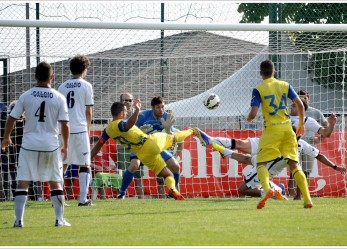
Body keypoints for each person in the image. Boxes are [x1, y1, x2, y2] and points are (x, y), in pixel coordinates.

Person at [1, 61, 70, 227]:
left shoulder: (26, 95)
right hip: (50, 145)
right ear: (52, 77)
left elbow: (12, 118)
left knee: (22, 182)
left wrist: (6, 138)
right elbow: (65, 124)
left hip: (29, 144)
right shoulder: (59, 97)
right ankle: (59, 220)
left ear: (35, 76)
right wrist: (65, 145)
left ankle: (19, 220)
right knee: (55, 182)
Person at [90, 99, 200, 200]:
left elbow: (98, 145)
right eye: (125, 112)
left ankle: (173, 190)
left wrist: (88, 158)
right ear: (121, 113)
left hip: (143, 154)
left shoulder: (107, 131)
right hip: (150, 143)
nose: (127, 113)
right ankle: (193, 131)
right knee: (174, 137)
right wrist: (137, 110)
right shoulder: (121, 123)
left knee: (168, 173)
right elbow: (128, 125)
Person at [246, 59, 312, 209]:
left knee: (261, 163)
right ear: (274, 71)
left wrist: (249, 118)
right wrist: (301, 124)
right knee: (294, 164)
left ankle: (268, 190)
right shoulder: (285, 85)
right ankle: (307, 199)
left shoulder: (258, 89)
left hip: (271, 130)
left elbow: (254, 112)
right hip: (288, 129)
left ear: (261, 73)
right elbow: (300, 104)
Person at [212, 136, 346, 198]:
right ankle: (276, 189)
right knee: (246, 159)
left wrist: (335, 166)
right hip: (265, 163)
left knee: (242, 189)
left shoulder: (299, 144)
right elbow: (318, 155)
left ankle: (274, 192)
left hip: (267, 169)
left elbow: (318, 155)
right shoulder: (282, 140)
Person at [116, 96, 179, 199]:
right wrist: (142, 133)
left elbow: (173, 137)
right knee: (134, 165)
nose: (161, 110)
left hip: (156, 147)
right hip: (140, 146)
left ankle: (174, 191)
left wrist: (168, 130)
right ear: (152, 107)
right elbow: (130, 131)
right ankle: (121, 192)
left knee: (176, 166)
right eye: (158, 107)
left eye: (162, 107)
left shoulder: (167, 116)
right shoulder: (142, 116)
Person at [58, 54, 94, 206]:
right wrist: (87, 129)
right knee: (85, 164)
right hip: (79, 129)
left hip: (64, 129)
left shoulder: (62, 86)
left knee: (63, 164)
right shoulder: (86, 86)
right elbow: (88, 112)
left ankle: (58, 198)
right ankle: (83, 199)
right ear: (84, 69)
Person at [289, 89, 328, 199]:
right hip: (294, 145)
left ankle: (302, 194)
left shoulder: (315, 112)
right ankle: (291, 194)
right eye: (299, 98)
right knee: (294, 171)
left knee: (306, 172)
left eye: (304, 98)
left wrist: (319, 139)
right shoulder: (292, 111)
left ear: (308, 98)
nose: (302, 100)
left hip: (309, 146)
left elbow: (326, 126)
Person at [116, 92, 145, 198]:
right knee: (122, 175)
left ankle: (141, 200)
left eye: (130, 100)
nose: (127, 103)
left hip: (137, 148)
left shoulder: (139, 115)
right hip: (123, 148)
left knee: (138, 177)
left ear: (133, 102)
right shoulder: (117, 115)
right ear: (120, 101)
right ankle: (121, 196)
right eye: (125, 100)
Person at [1, 101, 23, 200]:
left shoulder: (25, 121)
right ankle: (14, 195)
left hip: (23, 149)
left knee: (21, 170)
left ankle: (32, 196)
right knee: (12, 169)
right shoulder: (6, 120)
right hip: (11, 149)